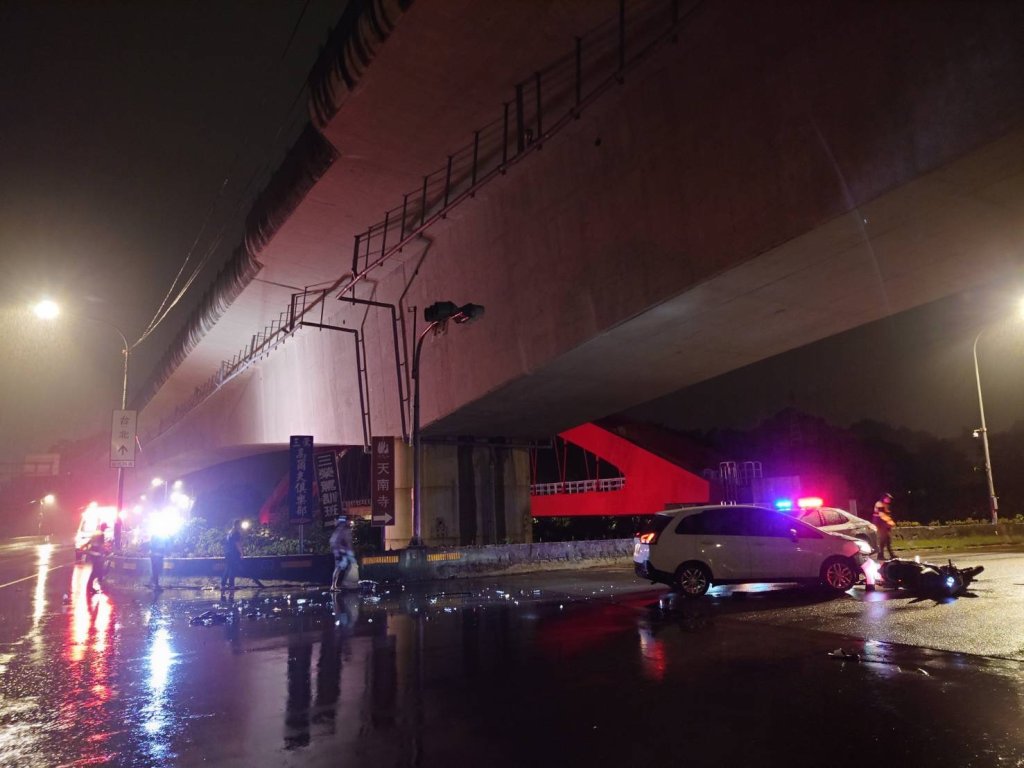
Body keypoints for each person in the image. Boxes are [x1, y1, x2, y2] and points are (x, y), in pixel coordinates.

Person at [221, 519, 265, 590]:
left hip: (227, 553)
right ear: (238, 525)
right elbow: (237, 544)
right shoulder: (236, 533)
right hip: (233, 554)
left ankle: (223, 585)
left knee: (227, 569)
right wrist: (241, 553)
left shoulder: (230, 533)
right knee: (232, 569)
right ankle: (231, 586)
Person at [329, 517, 355, 592]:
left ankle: (334, 586)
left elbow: (332, 541)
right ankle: (334, 585)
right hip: (340, 552)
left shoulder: (340, 530)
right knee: (339, 568)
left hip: (339, 552)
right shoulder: (343, 530)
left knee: (339, 568)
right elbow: (347, 542)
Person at [86, 522, 109, 594]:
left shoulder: (96, 533)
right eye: (105, 528)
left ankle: (90, 586)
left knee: (95, 570)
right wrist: (105, 552)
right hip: (97, 555)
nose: (105, 529)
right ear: (104, 528)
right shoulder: (101, 534)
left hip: (92, 554)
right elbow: (101, 545)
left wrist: (85, 546)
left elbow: (89, 542)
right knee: (95, 571)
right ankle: (89, 587)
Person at [872, 492, 896, 559]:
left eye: (889, 499)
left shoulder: (885, 504)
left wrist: (889, 523)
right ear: (884, 498)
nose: (889, 500)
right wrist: (891, 522)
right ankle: (884, 555)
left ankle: (888, 555)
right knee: (884, 539)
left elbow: (887, 515)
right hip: (880, 524)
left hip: (884, 524)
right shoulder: (879, 503)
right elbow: (882, 515)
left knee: (886, 539)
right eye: (888, 498)